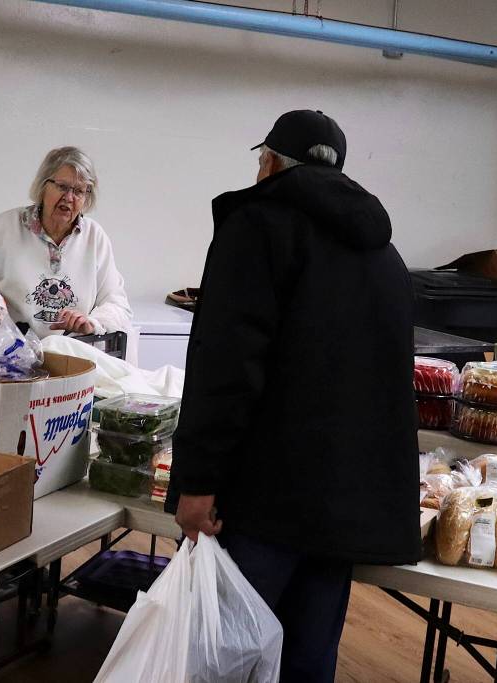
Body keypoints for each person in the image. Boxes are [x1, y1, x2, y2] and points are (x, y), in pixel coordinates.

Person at [166, 110, 422, 682]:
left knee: (221, 661)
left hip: (259, 502)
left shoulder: (256, 226)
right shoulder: (384, 255)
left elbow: (225, 367)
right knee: (306, 664)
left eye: (261, 160)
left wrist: (197, 480)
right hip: (340, 509)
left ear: (271, 163)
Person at [0, 146, 132, 337]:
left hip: (72, 359)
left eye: (79, 191)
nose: (69, 198)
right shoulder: (6, 228)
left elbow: (119, 306)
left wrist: (92, 323)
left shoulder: (94, 238)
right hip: (8, 357)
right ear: (44, 186)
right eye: (62, 187)